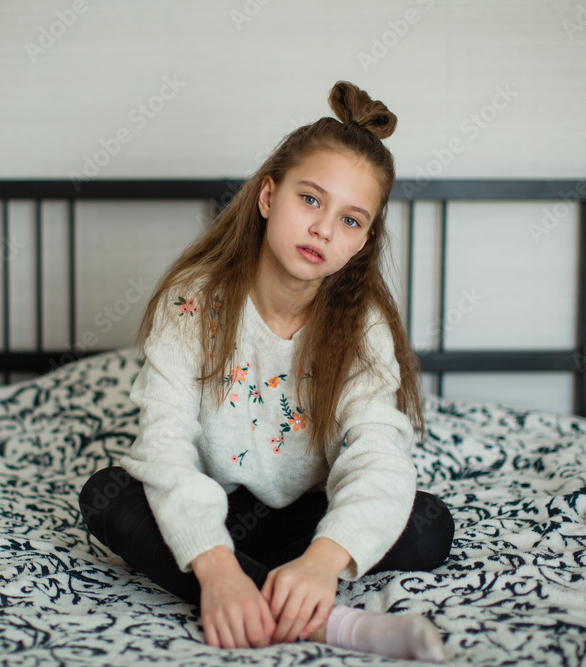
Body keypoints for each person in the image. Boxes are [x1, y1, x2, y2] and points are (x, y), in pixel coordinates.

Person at [79, 81, 453, 662]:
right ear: (268, 197)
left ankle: (282, 587)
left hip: (310, 520)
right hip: (215, 512)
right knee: (107, 494)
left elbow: (379, 451)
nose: (325, 229)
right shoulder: (192, 302)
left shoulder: (364, 325)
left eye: (352, 220)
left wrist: (325, 559)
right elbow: (166, 443)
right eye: (310, 200)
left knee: (429, 524)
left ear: (363, 242)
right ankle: (330, 623)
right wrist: (216, 566)